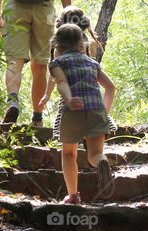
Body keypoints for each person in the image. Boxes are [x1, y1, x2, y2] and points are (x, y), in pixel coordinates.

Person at [44, 23, 116, 204]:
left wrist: (69, 99)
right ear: (82, 46)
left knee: (69, 154)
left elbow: (61, 82)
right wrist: (104, 112)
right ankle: (102, 163)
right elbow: (110, 87)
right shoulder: (92, 62)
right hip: (95, 111)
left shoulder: (56, 63)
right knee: (94, 154)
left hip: (72, 112)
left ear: (57, 47)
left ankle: (73, 196)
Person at [40, 6, 118, 141]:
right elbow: (95, 73)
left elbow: (57, 77)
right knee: (93, 136)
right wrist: (104, 112)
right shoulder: (90, 44)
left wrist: (47, 94)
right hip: (92, 96)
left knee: (68, 142)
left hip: (70, 97)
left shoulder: (60, 49)